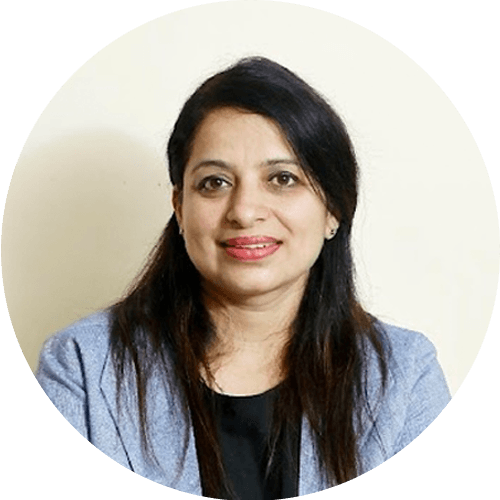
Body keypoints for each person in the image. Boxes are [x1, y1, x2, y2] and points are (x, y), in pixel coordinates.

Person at [36, 57, 450, 499]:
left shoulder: (405, 377)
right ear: (179, 208)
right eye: (214, 183)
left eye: (283, 179)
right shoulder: (81, 366)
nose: (245, 211)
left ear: (333, 208)